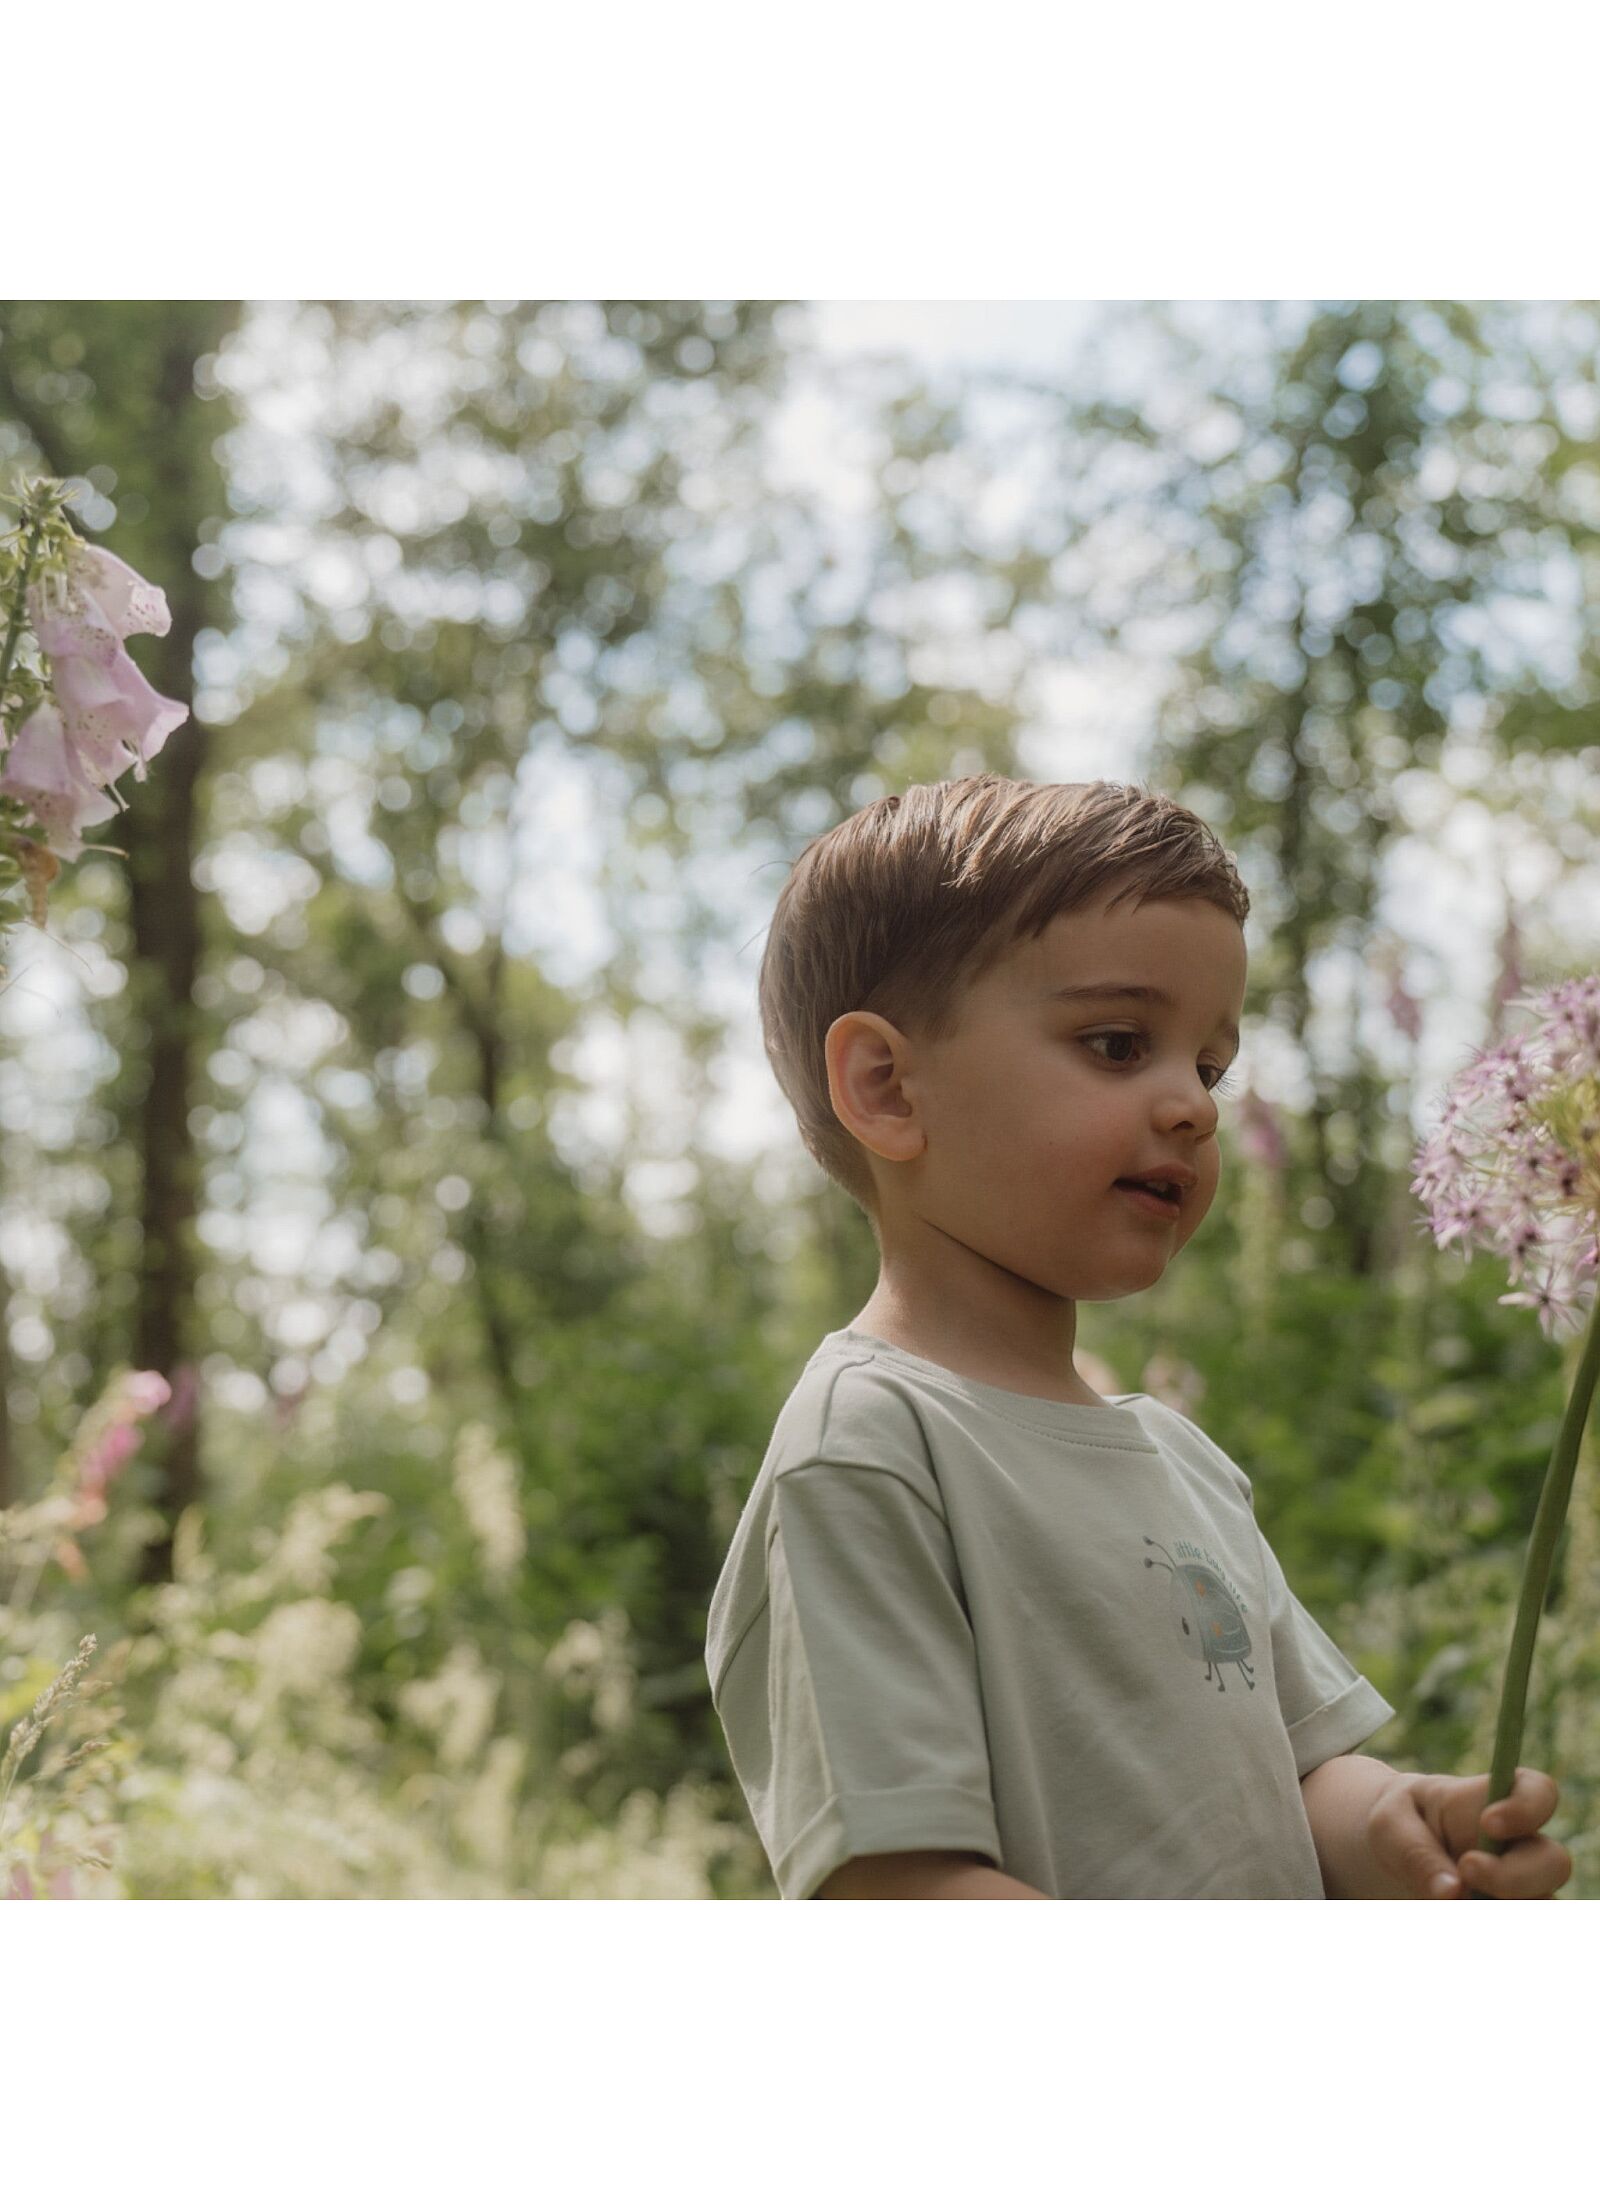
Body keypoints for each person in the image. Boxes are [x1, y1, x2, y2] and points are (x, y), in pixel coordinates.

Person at [704, 775, 1572, 1900]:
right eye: (1119, 1044)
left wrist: (1394, 1826)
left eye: (1209, 1065)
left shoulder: (1180, 1456)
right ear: (886, 1087)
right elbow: (896, 1884)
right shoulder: (868, 1447)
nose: (1196, 1106)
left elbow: (1297, 1777)